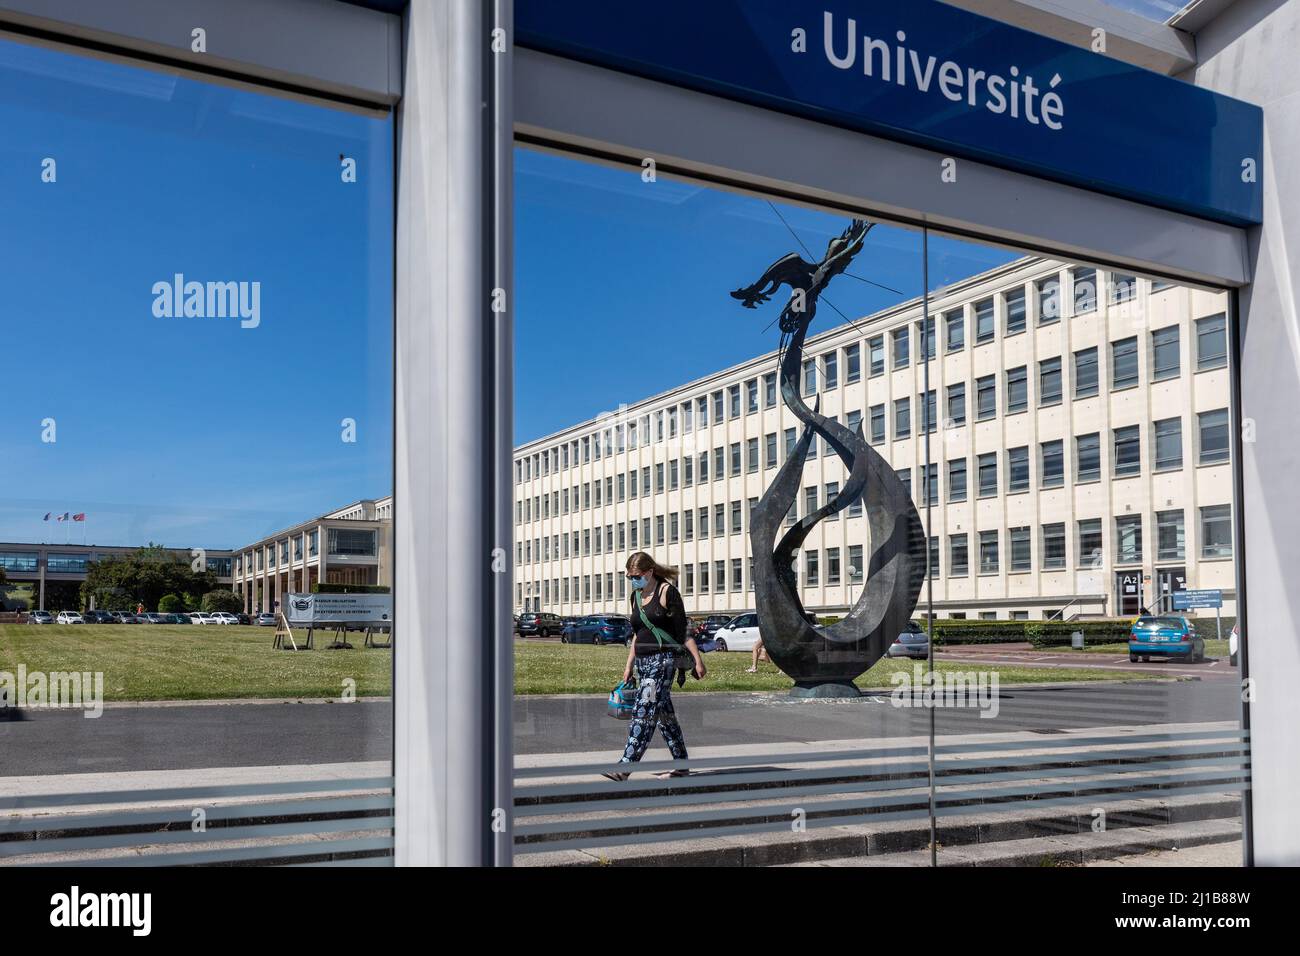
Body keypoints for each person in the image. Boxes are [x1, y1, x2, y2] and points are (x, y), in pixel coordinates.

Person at [603, 551, 706, 782]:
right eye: (629, 576)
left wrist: (698, 661)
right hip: (642, 662)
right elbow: (638, 635)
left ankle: (625, 766)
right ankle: (682, 765)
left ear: (649, 572)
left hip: (663, 662)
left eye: (636, 575)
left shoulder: (667, 592)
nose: (633, 580)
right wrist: (629, 666)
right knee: (664, 717)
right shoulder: (636, 597)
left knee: (644, 713)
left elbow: (682, 632)